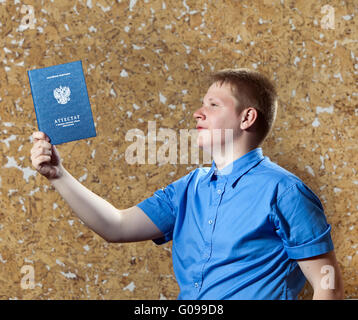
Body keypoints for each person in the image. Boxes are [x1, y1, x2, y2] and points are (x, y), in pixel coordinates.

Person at [30, 68, 344, 300]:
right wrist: (59, 175)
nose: (197, 113)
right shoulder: (189, 187)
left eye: (213, 105)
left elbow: (328, 285)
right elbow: (117, 226)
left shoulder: (285, 192)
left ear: (247, 118)